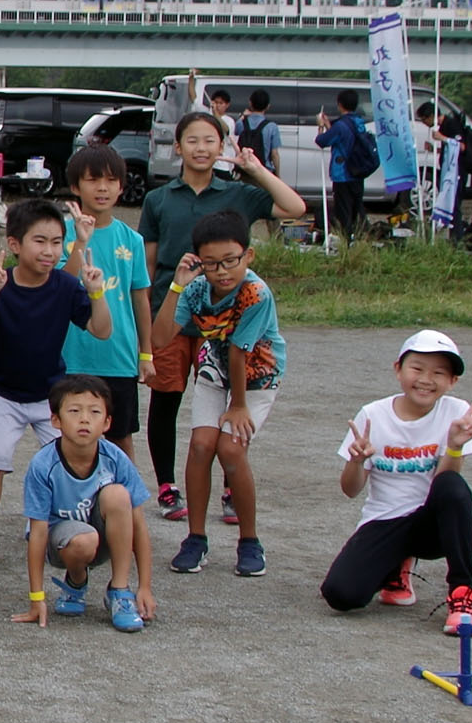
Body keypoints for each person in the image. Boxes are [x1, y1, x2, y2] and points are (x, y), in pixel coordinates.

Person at [139, 109, 307, 529]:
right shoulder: (159, 199)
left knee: (231, 400)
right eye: (191, 141)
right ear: (177, 147)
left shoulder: (238, 194)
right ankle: (166, 485)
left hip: (229, 320)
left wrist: (255, 169)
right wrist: (149, 314)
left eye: (210, 140)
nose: (201, 148)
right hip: (176, 309)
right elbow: (148, 265)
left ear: (222, 147)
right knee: (167, 400)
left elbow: (294, 206)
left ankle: (232, 486)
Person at [0, 198, 112, 568]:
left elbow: (101, 331)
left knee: (72, 458)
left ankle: (62, 524)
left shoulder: (65, 285)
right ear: (15, 245)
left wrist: (96, 292)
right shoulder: (1, 282)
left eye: (57, 242)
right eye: (39, 241)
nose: (49, 251)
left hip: (51, 393)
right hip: (1, 390)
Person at [322, 329, 472, 634]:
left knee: (452, 486)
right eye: (417, 368)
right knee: (341, 595)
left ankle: (463, 592)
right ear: (398, 370)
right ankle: (395, 565)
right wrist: (357, 461)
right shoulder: (373, 415)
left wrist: (454, 445)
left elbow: (446, 483)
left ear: (452, 381)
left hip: (431, 523)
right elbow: (350, 490)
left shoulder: (456, 412)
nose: (426, 379)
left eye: (439, 372)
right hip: (385, 521)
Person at [151, 211, 285, 578]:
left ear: (248, 256)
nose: (222, 271)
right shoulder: (195, 289)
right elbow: (161, 339)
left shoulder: (256, 293)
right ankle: (196, 538)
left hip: (257, 376)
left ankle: (249, 540)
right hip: (216, 368)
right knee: (200, 446)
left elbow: (241, 351)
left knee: (230, 448)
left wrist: (239, 406)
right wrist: (177, 286)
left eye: (231, 261)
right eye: (211, 264)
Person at [9, 376, 152, 632]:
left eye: (95, 412)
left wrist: (145, 587)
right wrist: (36, 598)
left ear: (107, 422)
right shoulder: (43, 465)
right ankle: (76, 581)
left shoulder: (116, 459)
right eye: (74, 411)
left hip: (107, 537)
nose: (84, 419)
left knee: (118, 495)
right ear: (56, 420)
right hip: (64, 543)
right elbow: (38, 531)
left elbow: (139, 524)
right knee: (83, 539)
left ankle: (119, 591)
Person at [57, 145, 150, 468]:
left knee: (120, 436)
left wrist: (146, 353)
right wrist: (79, 243)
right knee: (70, 435)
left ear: (122, 187)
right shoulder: (61, 235)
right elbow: (61, 287)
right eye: (93, 179)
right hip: (71, 356)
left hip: (118, 357)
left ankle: (127, 504)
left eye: (111, 180)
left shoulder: (132, 239)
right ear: (75, 186)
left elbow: (140, 298)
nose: (102, 188)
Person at [314, 90, 375, 240]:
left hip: (343, 174)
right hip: (357, 171)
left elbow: (321, 141)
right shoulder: (359, 122)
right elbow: (344, 140)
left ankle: (347, 241)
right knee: (357, 207)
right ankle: (359, 237)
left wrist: (320, 126)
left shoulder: (341, 125)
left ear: (339, 104)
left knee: (344, 211)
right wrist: (329, 125)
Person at [236, 88, 281, 181]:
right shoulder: (271, 126)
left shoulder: (241, 123)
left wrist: (243, 116)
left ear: (250, 103)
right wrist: (278, 175)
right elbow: (274, 154)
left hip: (245, 171)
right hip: (264, 172)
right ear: (268, 106)